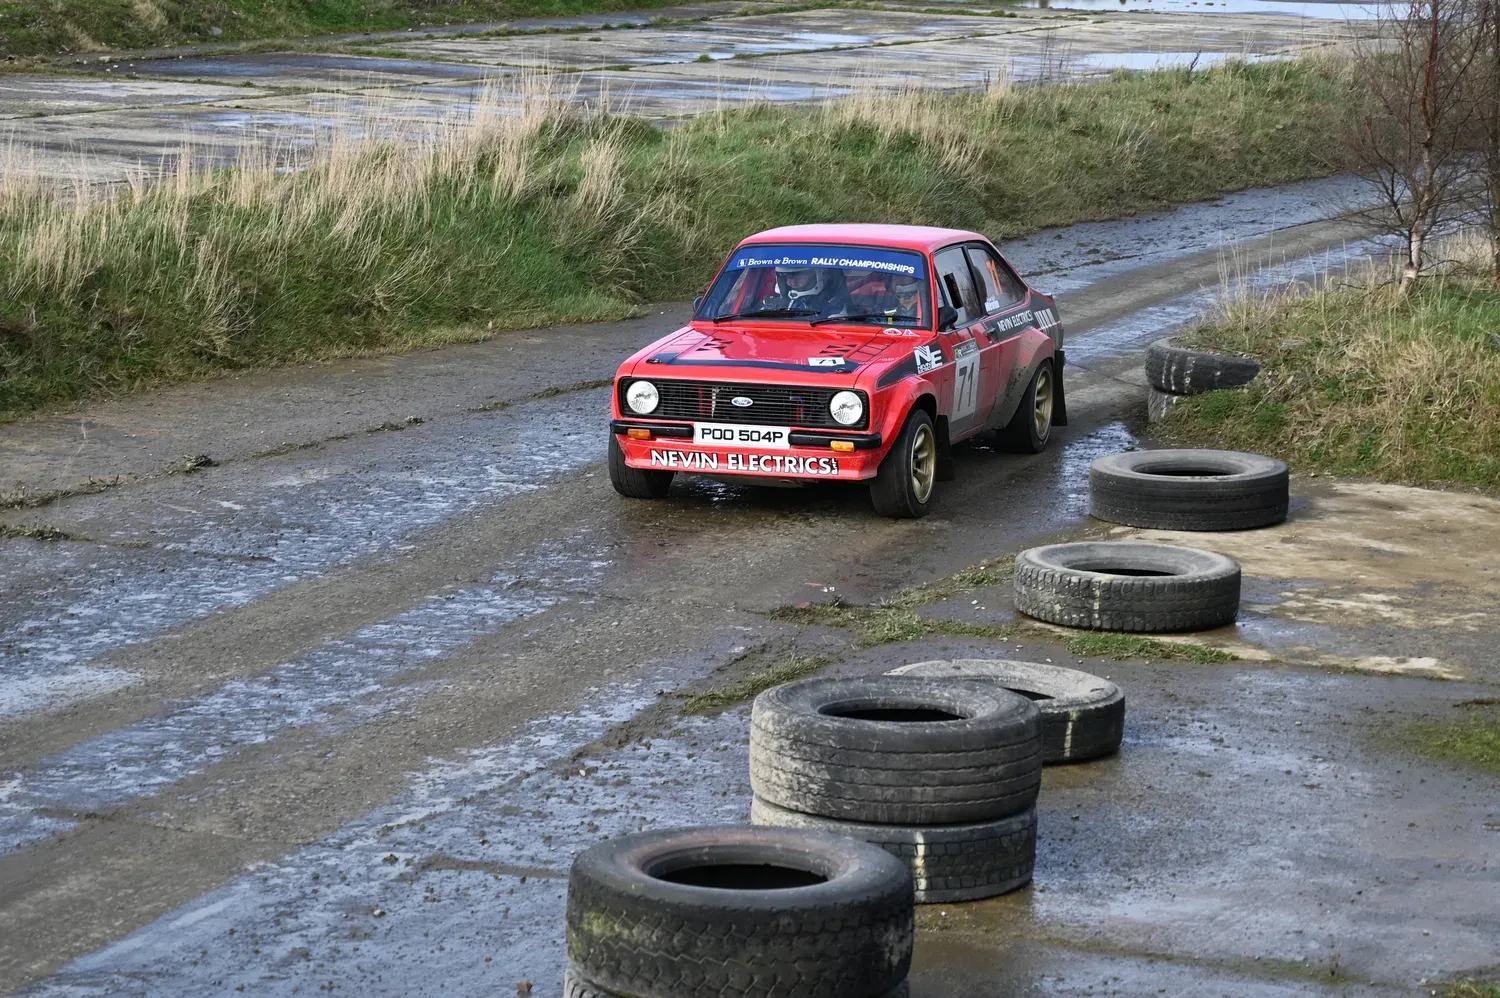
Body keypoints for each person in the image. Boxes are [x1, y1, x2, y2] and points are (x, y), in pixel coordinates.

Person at [763, 265, 848, 318]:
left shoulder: (833, 305)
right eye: (788, 277)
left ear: (818, 276)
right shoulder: (774, 304)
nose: (793, 282)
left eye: (799, 276)